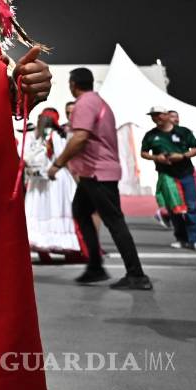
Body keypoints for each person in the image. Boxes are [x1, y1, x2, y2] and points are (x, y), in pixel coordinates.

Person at [47, 68, 150, 289]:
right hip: (92, 173)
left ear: (73, 84)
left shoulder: (85, 102)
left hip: (97, 173)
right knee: (81, 211)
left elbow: (80, 138)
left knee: (114, 220)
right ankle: (95, 267)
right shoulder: (98, 102)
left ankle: (137, 275)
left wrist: (57, 164)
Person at [23, 108, 87, 262]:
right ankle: (67, 250)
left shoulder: (33, 136)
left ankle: (43, 252)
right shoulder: (57, 135)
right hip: (55, 179)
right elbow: (62, 156)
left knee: (38, 213)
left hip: (37, 180)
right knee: (58, 210)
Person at [140, 106, 196, 250]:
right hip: (167, 176)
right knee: (174, 209)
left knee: (191, 206)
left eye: (159, 115)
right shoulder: (151, 135)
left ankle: (195, 238)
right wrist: (156, 157)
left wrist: (182, 156)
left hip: (186, 173)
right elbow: (143, 152)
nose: (156, 118)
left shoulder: (183, 132)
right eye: (153, 116)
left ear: (167, 115)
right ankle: (181, 238)